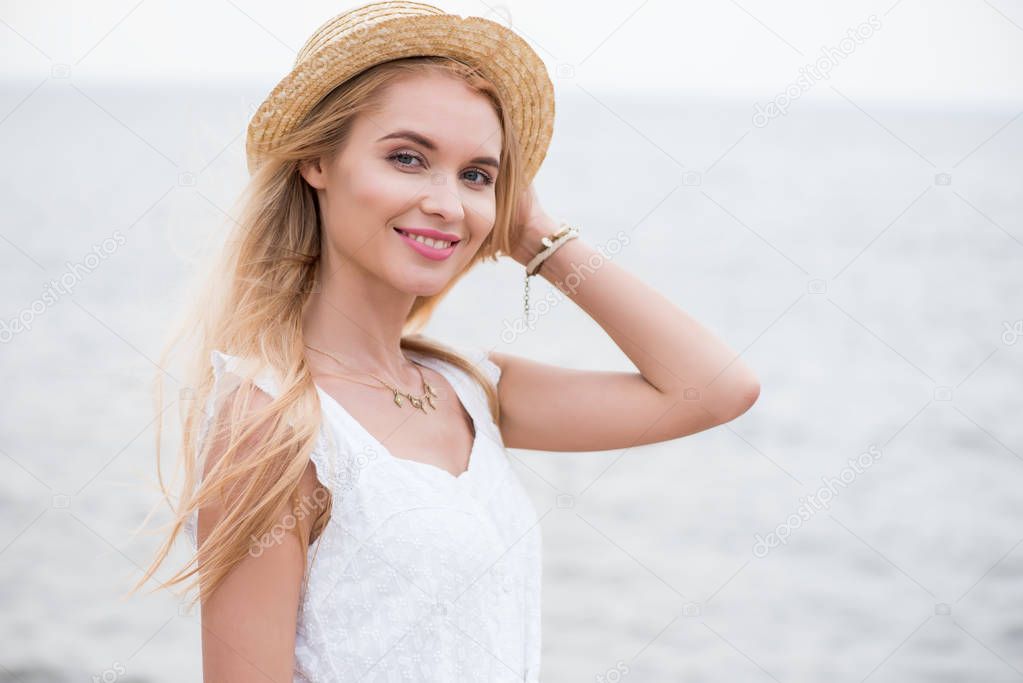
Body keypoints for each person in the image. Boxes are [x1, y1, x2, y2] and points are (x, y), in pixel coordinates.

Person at [131, 2, 760, 680]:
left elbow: (715, 388)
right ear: (318, 160)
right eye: (408, 158)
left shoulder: (467, 391)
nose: (446, 202)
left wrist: (538, 238)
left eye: (476, 175)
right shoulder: (271, 421)